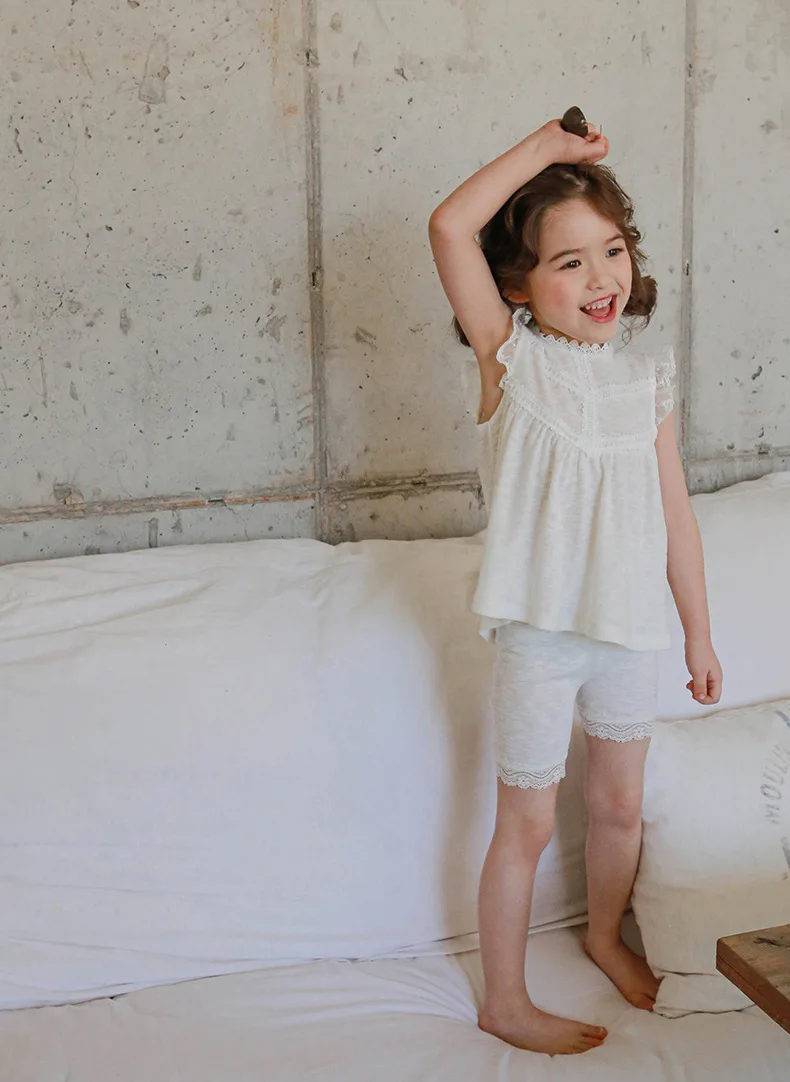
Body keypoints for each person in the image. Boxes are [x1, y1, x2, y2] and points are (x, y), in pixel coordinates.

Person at [428, 116, 723, 1056]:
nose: (602, 277)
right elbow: (448, 226)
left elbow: (676, 519)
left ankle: (602, 935)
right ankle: (504, 1000)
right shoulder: (510, 362)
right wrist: (548, 150)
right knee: (523, 825)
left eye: (613, 250)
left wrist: (698, 634)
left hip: (630, 632)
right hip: (542, 638)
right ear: (517, 286)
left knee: (618, 808)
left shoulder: (647, 382)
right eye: (569, 262)